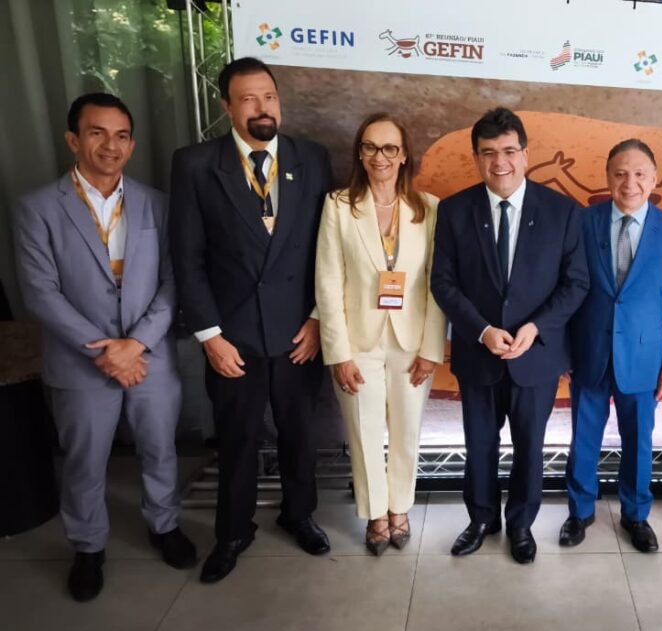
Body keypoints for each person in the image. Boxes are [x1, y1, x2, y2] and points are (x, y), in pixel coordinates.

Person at [15, 93, 196, 601]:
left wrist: (135, 344)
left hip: (149, 357)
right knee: (84, 460)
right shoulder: (36, 208)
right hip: (80, 362)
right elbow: (40, 293)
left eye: (121, 136)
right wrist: (105, 351)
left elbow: (174, 281)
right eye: (97, 133)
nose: (110, 145)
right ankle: (88, 546)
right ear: (73, 140)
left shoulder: (158, 204)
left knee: (160, 448)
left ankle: (164, 525)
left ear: (132, 145)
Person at [170, 57, 333, 583]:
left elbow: (327, 250)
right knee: (237, 439)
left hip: (298, 333)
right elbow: (187, 257)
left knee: (299, 434)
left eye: (269, 97)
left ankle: (299, 514)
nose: (262, 108)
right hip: (232, 336)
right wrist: (209, 336)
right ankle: (233, 531)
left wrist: (318, 319)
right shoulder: (195, 164)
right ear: (226, 106)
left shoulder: (312, 158)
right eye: (248, 99)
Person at [431, 107, 589, 564]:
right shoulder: (455, 210)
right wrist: (481, 330)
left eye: (508, 151)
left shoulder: (562, 212)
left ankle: (521, 523)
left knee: (529, 447)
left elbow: (576, 283)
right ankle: (481, 519)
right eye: (488, 153)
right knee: (479, 445)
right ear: (476, 158)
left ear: (525, 154)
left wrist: (536, 327)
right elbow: (443, 282)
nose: (499, 162)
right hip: (478, 352)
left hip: (535, 355)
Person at [315, 113, 446, 555]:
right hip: (357, 342)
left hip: (412, 341)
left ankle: (400, 508)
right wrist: (337, 353)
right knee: (363, 430)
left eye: (390, 148)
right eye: (370, 147)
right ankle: (375, 513)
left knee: (407, 429)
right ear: (360, 153)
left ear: (404, 154)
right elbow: (327, 281)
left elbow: (436, 285)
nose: (380, 157)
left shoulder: (428, 207)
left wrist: (431, 348)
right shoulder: (338, 205)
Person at [561, 139, 662, 553]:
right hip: (588, 352)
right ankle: (580, 511)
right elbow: (564, 290)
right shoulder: (582, 222)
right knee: (583, 437)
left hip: (644, 358)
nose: (629, 183)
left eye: (639, 174)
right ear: (607, 177)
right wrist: (563, 351)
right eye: (620, 174)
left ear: (653, 180)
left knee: (639, 441)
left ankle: (636, 515)